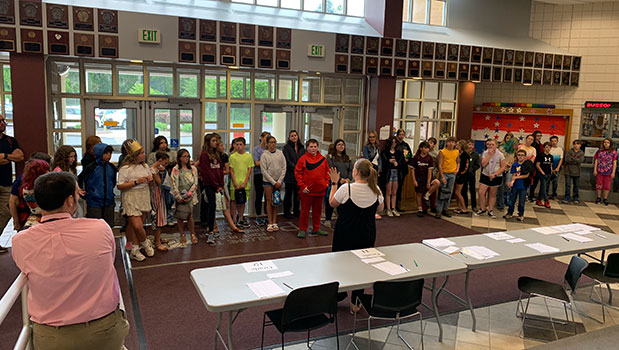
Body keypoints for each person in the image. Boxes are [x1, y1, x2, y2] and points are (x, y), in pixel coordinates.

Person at [11, 172, 129, 350]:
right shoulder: (100, 228)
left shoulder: (20, 241)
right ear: (69, 201)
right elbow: (107, 262)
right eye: (77, 191)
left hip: (52, 338)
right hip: (105, 330)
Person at [328, 159, 383, 313]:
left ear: (356, 172)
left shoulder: (347, 189)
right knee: (362, 267)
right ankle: (356, 302)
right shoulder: (376, 189)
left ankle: (338, 295)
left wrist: (334, 184)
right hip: (366, 233)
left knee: (339, 265)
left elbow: (332, 203)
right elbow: (380, 207)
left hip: (345, 234)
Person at [117, 139, 155, 261]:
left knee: (137, 226)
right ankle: (145, 242)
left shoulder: (145, 166)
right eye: (141, 153)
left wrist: (150, 180)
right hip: (131, 196)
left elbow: (152, 184)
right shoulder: (125, 168)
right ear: (134, 155)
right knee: (137, 225)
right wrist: (135, 182)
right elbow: (120, 186)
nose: (144, 155)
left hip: (143, 195)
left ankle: (135, 248)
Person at [295, 138, 330, 238]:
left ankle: (316, 228)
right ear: (307, 148)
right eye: (311, 147)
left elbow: (327, 173)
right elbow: (298, 173)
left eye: (315, 146)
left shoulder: (323, 159)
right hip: (307, 191)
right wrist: (302, 186)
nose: (313, 148)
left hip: (320, 191)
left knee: (317, 211)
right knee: (304, 211)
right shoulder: (303, 159)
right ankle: (302, 229)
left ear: (318, 147)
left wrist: (326, 184)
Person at [9, 152, 51, 232]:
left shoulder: (26, 186)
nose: (49, 172)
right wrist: (16, 222)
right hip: (34, 218)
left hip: (31, 219)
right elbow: (12, 201)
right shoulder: (25, 185)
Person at [78, 143, 116, 228]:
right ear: (99, 153)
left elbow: (113, 182)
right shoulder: (91, 167)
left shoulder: (112, 167)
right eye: (106, 153)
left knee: (108, 226)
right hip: (94, 202)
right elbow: (80, 179)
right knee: (95, 227)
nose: (109, 155)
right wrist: (84, 193)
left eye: (110, 153)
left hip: (109, 202)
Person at [198, 133, 224, 245]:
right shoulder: (204, 155)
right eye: (213, 141)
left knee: (214, 206)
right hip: (209, 184)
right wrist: (215, 185)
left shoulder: (216, 154)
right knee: (211, 205)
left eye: (216, 141)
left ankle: (211, 229)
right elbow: (207, 172)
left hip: (217, 184)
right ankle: (210, 230)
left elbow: (220, 170)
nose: (216, 143)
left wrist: (221, 184)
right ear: (208, 142)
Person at [171, 148, 200, 246]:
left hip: (190, 196)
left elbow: (195, 182)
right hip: (179, 195)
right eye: (184, 156)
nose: (187, 158)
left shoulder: (193, 169)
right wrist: (178, 196)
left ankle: (192, 234)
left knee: (190, 215)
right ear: (180, 158)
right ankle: (182, 234)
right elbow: (173, 183)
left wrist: (189, 194)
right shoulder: (176, 169)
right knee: (180, 216)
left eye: (188, 156)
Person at [148, 135, 176, 225]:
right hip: (157, 188)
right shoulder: (153, 157)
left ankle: (169, 218)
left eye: (165, 143)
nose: (164, 145)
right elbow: (151, 168)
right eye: (161, 143)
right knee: (158, 207)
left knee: (169, 200)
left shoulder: (171, 153)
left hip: (169, 178)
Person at [261, 136, 286, 232]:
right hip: (268, 181)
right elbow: (264, 170)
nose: (273, 144)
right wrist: (273, 182)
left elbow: (284, 167)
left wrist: (279, 181)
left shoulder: (280, 153)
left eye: (274, 142)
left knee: (276, 201)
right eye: (271, 142)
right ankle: (270, 222)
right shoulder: (264, 155)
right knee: (269, 200)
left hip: (278, 181)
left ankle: (275, 221)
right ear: (267, 144)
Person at [325, 139, 352, 227]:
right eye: (339, 145)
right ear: (335, 146)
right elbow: (330, 169)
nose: (341, 146)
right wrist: (338, 179)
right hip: (334, 182)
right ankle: (328, 219)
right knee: (332, 200)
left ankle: (341, 218)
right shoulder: (330, 157)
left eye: (342, 145)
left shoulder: (347, 158)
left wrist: (348, 179)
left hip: (345, 183)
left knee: (343, 202)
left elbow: (351, 170)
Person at [475, 139, 506, 218]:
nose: (490, 146)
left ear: (496, 145)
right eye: (489, 145)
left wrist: (495, 174)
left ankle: (490, 210)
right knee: (481, 192)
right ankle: (482, 208)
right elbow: (483, 164)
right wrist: (489, 155)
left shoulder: (500, 155)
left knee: (492, 194)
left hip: (496, 176)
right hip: (485, 175)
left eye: (492, 145)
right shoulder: (485, 153)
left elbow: (503, 167)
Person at [410, 141, 440, 217]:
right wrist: (414, 180)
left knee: (437, 183)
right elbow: (412, 170)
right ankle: (420, 209)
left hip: (427, 177)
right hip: (418, 178)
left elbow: (430, 170)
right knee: (419, 193)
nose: (427, 150)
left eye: (428, 148)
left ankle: (427, 195)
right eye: (425, 148)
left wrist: (428, 181)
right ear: (421, 148)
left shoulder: (429, 158)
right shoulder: (416, 157)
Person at [229, 137, 254, 229]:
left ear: (244, 145)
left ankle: (241, 218)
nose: (239, 146)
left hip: (244, 183)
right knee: (234, 201)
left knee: (242, 201)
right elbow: (231, 170)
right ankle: (234, 218)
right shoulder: (232, 156)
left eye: (240, 144)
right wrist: (235, 183)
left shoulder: (248, 156)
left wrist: (245, 182)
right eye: (237, 144)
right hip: (234, 183)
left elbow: (249, 170)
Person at [503, 150, 534, 221]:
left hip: (523, 186)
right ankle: (510, 213)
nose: (520, 156)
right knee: (512, 200)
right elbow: (513, 175)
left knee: (521, 201)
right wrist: (512, 182)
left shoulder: (527, 164)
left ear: (525, 156)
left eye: (522, 155)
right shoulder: (515, 164)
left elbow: (526, 175)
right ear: (516, 156)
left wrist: (517, 177)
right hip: (515, 186)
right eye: (519, 155)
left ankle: (521, 214)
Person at [20, 160, 50, 229]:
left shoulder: (26, 188)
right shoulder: (44, 189)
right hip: (44, 221)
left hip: (32, 219)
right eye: (46, 170)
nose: (48, 172)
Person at [149, 152, 170, 251]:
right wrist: (164, 172)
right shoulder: (153, 170)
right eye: (165, 163)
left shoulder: (154, 169)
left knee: (160, 217)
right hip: (156, 195)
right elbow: (159, 182)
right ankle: (157, 242)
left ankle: (158, 238)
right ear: (160, 160)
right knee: (158, 218)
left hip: (158, 194)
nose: (165, 166)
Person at [282, 130, 305, 219]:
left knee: (297, 194)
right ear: (289, 138)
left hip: (300, 175)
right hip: (290, 174)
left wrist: (300, 169)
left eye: (295, 135)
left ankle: (296, 211)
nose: (294, 137)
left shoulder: (302, 147)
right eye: (292, 136)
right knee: (288, 194)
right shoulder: (286, 147)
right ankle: (287, 211)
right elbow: (287, 161)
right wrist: (297, 168)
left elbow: (304, 159)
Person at [380, 136, 405, 217]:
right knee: (388, 192)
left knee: (394, 192)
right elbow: (383, 163)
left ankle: (394, 208)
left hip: (396, 173)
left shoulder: (399, 153)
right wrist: (389, 161)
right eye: (392, 142)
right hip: (388, 173)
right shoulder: (385, 152)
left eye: (395, 143)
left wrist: (397, 164)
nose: (393, 144)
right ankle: (388, 208)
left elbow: (403, 163)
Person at [435, 137, 459, 219]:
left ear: (455, 144)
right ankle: (439, 210)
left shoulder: (456, 152)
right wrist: (442, 176)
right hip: (444, 173)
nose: (451, 144)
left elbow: (458, 161)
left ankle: (445, 209)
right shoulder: (442, 152)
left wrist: (457, 169)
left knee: (449, 192)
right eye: (449, 142)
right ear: (447, 143)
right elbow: (440, 165)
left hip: (452, 174)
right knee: (442, 192)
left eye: (453, 142)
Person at [362, 130, 382, 219]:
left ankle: (374, 210)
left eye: (373, 137)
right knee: (369, 188)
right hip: (370, 169)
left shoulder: (377, 147)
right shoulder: (366, 147)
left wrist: (379, 169)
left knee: (375, 188)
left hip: (376, 168)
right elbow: (366, 159)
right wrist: (371, 170)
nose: (372, 138)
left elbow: (379, 159)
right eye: (370, 137)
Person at [253, 131, 271, 225]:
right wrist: (265, 163)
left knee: (268, 196)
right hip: (259, 174)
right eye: (266, 137)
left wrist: (263, 162)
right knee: (259, 195)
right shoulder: (256, 149)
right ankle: (259, 215)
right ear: (261, 138)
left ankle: (267, 215)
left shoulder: (270, 150)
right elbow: (256, 163)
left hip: (268, 175)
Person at [497, 132, 517, 210]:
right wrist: (506, 163)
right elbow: (499, 159)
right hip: (501, 169)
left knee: (508, 186)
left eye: (510, 139)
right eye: (507, 138)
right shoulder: (501, 148)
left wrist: (512, 163)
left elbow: (514, 158)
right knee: (500, 187)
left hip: (509, 170)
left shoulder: (513, 149)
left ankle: (506, 200)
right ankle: (500, 204)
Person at [594, 138, 617, 205]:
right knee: (599, 184)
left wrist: (613, 172)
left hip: (608, 171)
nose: (606, 144)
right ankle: (598, 197)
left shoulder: (613, 152)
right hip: (600, 170)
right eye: (605, 142)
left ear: (610, 144)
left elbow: (614, 162)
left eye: (608, 142)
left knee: (607, 185)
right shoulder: (599, 151)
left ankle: (605, 198)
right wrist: (595, 169)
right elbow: (596, 160)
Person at [461, 139, 480, 212]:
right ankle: (465, 204)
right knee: (464, 189)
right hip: (464, 174)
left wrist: (472, 169)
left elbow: (477, 165)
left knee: (472, 190)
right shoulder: (464, 154)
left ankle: (474, 205)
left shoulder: (475, 154)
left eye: (472, 145)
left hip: (471, 174)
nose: (471, 146)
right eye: (469, 144)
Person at [395, 129, 412, 211]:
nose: (401, 136)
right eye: (400, 134)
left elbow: (409, 154)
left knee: (400, 187)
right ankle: (393, 205)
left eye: (402, 134)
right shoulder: (395, 144)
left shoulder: (405, 145)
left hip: (403, 168)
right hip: (396, 168)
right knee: (394, 187)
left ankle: (399, 204)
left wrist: (407, 158)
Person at [563, 140, 584, 204]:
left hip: (577, 171)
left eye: (577, 144)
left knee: (576, 185)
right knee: (568, 185)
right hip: (568, 171)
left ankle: (575, 197)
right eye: (574, 144)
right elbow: (567, 159)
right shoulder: (569, 151)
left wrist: (572, 158)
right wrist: (575, 159)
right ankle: (567, 197)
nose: (576, 145)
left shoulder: (581, 152)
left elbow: (580, 160)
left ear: (580, 145)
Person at [535, 142, 554, 208]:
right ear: (544, 148)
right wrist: (542, 172)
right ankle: (546, 200)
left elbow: (551, 165)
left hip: (548, 173)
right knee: (544, 187)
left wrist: (551, 171)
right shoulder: (541, 155)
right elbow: (537, 165)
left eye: (549, 147)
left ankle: (539, 199)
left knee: (543, 187)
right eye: (546, 147)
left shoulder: (551, 156)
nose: (548, 149)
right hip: (542, 173)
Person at [453, 140, 469, 214]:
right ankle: (459, 206)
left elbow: (466, 167)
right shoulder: (458, 154)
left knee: (458, 192)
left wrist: (460, 173)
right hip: (458, 174)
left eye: (458, 145)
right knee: (457, 192)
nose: (457, 146)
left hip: (462, 175)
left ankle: (464, 208)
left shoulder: (465, 155)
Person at [528, 130, 543, 201]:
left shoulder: (540, 144)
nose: (539, 137)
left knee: (535, 181)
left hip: (539, 164)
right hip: (533, 164)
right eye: (538, 136)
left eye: (540, 136)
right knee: (531, 180)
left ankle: (532, 194)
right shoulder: (533, 145)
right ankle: (529, 195)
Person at [549, 135, 564, 200]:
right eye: (552, 141)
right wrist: (550, 167)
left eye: (555, 141)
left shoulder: (560, 149)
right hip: (549, 168)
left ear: (557, 141)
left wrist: (558, 167)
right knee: (547, 182)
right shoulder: (549, 149)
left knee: (555, 182)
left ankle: (554, 195)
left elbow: (561, 159)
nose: (554, 142)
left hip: (557, 168)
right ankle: (545, 194)